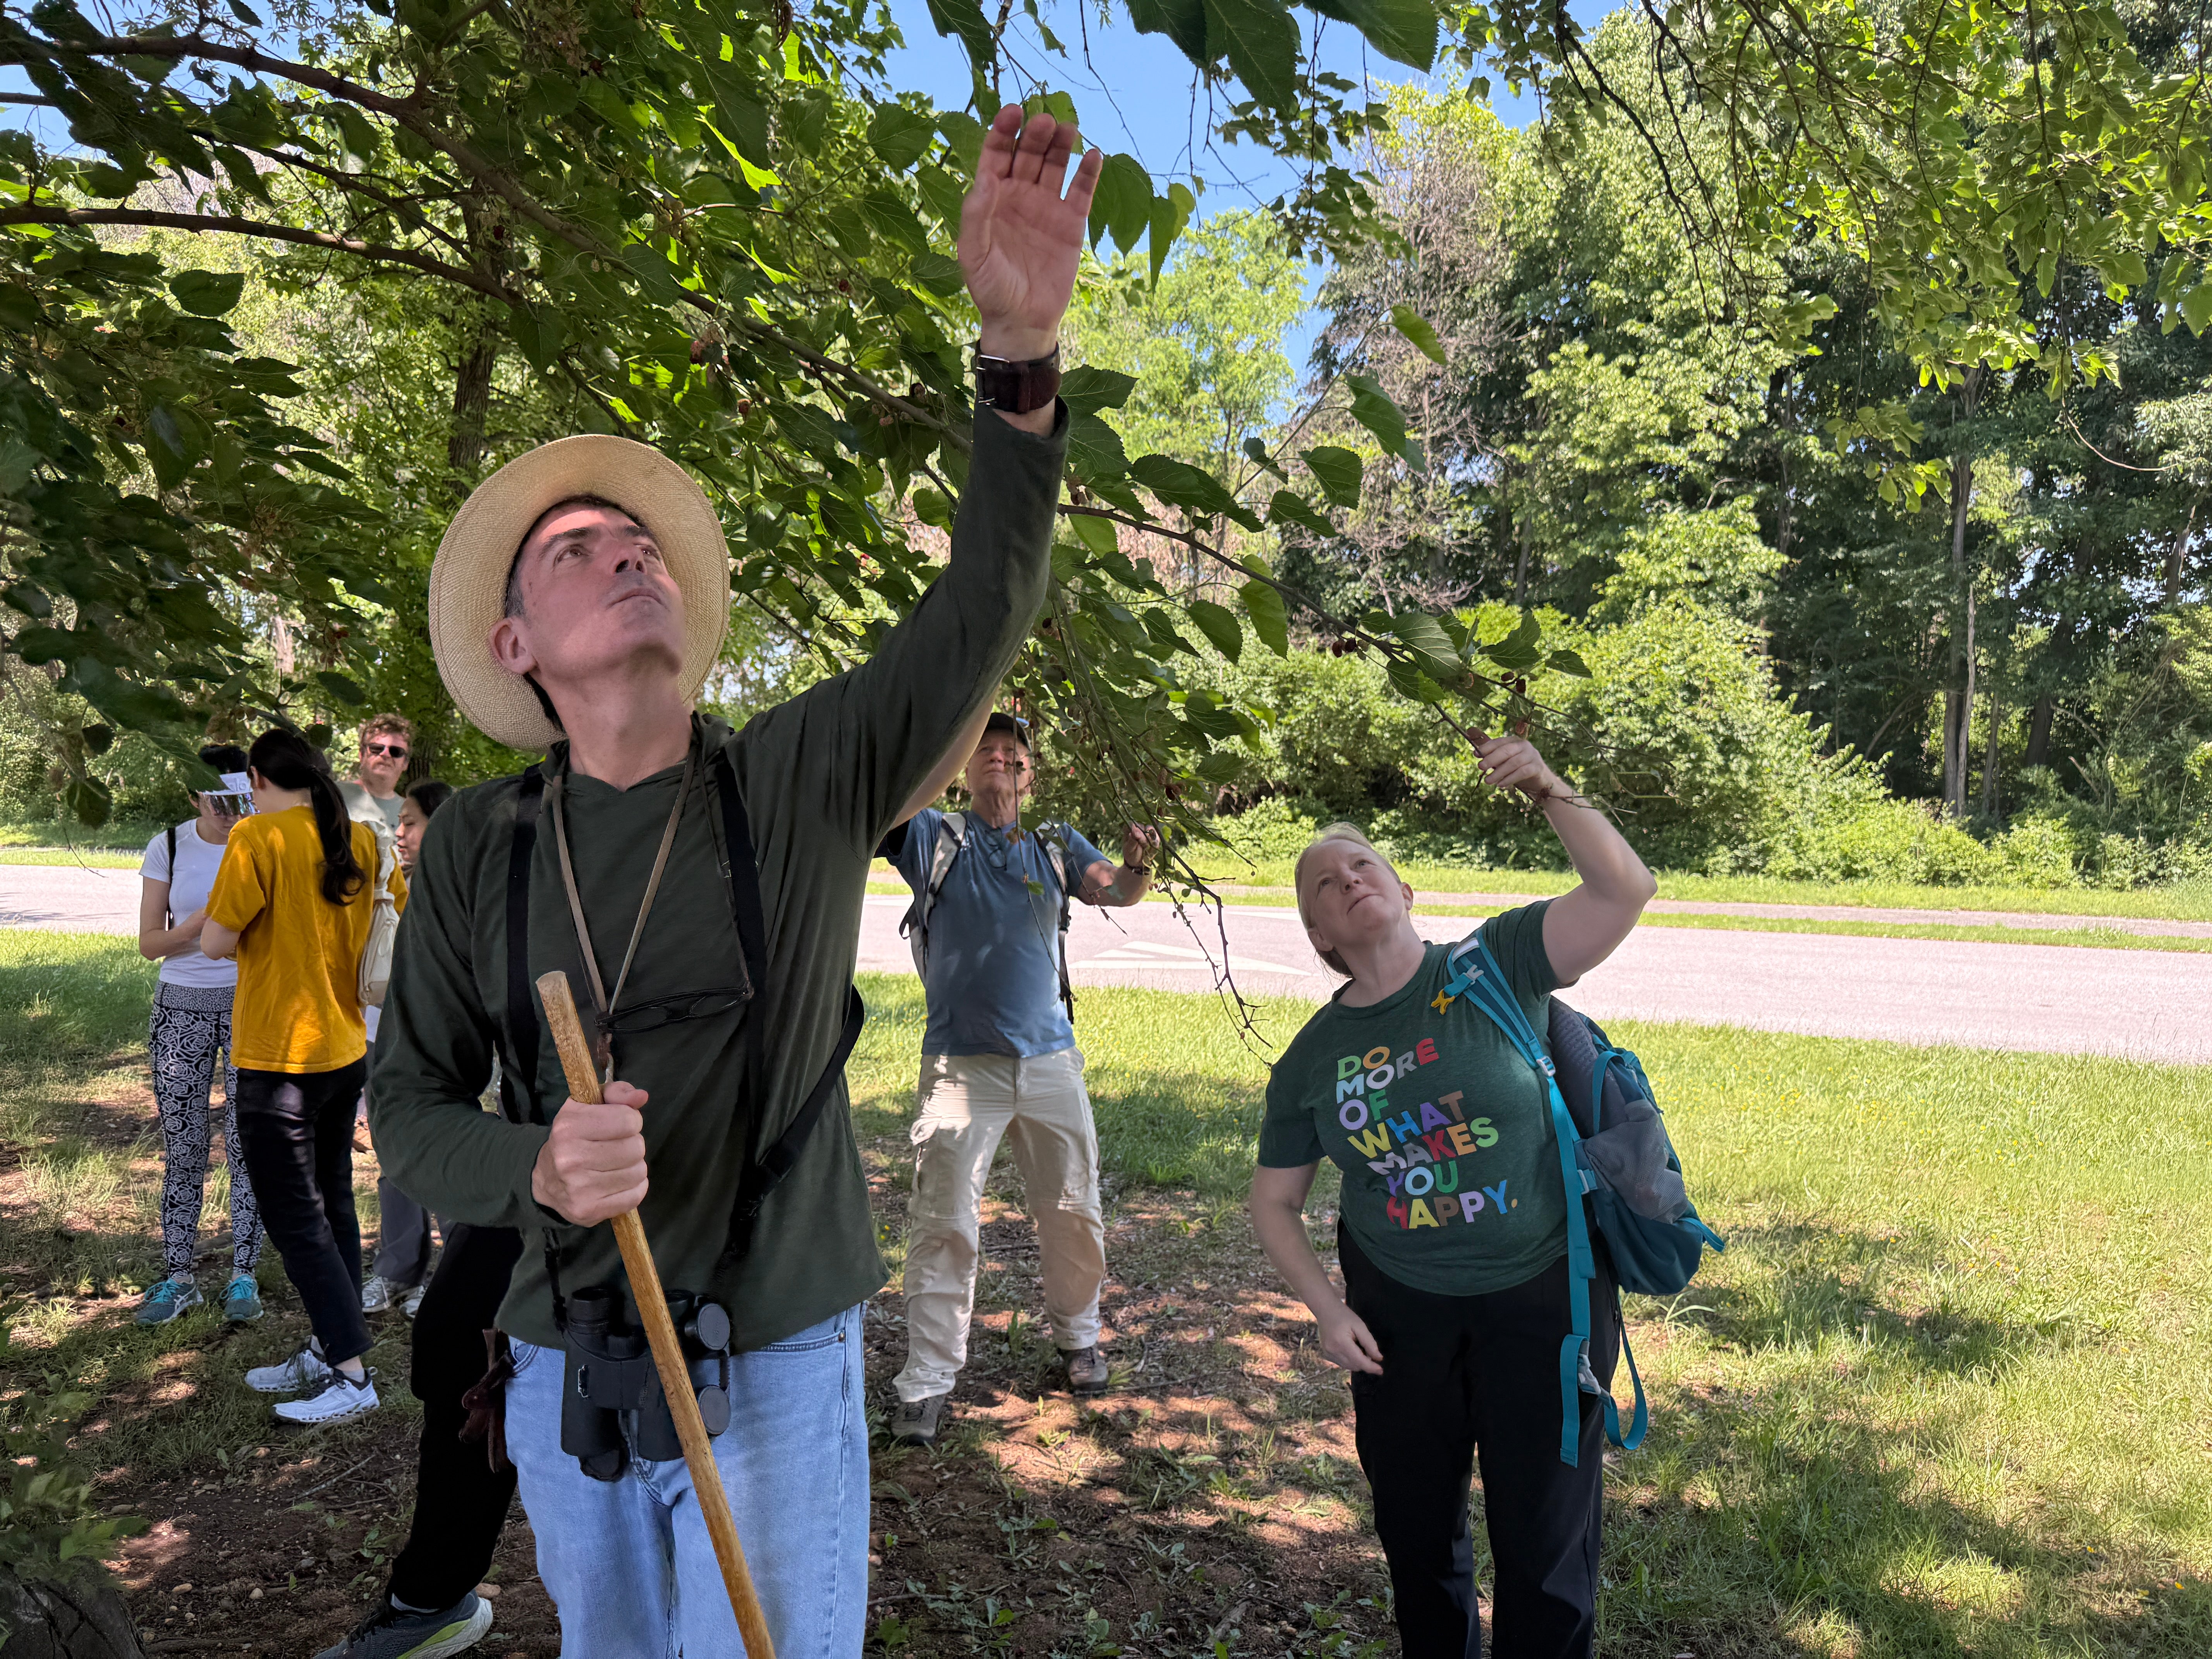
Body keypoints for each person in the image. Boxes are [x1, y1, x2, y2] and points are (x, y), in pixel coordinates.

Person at [361, 105, 1095, 1659]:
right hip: (562, 1365)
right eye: (577, 548)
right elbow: (411, 1106)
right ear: (516, 650)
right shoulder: (483, 841)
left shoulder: (796, 777)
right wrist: (536, 1176)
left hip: (776, 1357)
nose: (627, 551)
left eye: (641, 541)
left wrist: (1018, 362)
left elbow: (981, 611)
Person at [1248, 735, 1656, 1659]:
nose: (1347, 879)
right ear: (1320, 937)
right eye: (1323, 883)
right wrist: (1326, 1310)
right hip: (1399, 1315)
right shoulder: (1311, 1059)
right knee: (1418, 1534)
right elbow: (1273, 1203)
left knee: (1546, 1544)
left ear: (1403, 892)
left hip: (1543, 1297)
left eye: (1363, 864)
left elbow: (1623, 891)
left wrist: (1553, 788)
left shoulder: (1497, 961)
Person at [878, 711, 1153, 1446]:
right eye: (986, 751)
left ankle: (1079, 1336)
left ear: (1032, 774)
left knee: (1072, 1208)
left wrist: (1135, 865)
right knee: (943, 1220)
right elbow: (880, 809)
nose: (1001, 760)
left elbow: (1116, 890)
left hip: (1050, 1062)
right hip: (959, 1066)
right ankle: (929, 1379)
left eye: (1014, 753)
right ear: (965, 770)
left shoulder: (1055, 843)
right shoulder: (934, 836)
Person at [201, 727, 407, 1426]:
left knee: (297, 1218)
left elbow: (216, 940)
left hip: (275, 1056)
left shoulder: (256, 839)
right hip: (345, 1046)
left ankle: (352, 1373)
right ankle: (330, 1346)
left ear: (255, 778)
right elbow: (395, 910)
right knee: (334, 1201)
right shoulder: (365, 837)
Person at [133, 744, 265, 1325]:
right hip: (180, 1010)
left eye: (237, 794)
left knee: (247, 1146)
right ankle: (178, 1277)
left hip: (251, 1008)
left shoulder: (263, 841)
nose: (227, 807)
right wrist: (195, 928)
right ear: (193, 795)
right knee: (184, 1146)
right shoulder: (168, 845)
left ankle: (244, 1276)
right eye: (213, 795)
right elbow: (149, 944)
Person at [361, 778, 458, 1318]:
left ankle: (452, 1274)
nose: (400, 833)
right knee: (393, 1155)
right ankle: (398, 1270)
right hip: (380, 1035)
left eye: (412, 822)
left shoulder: (458, 886)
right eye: (399, 822)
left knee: (442, 1151)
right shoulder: (386, 880)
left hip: (436, 1041)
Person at [342, 714, 414, 831]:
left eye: (396, 751)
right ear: (362, 755)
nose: (385, 755)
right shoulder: (333, 795)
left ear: (406, 763)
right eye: (376, 748)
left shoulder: (412, 814)